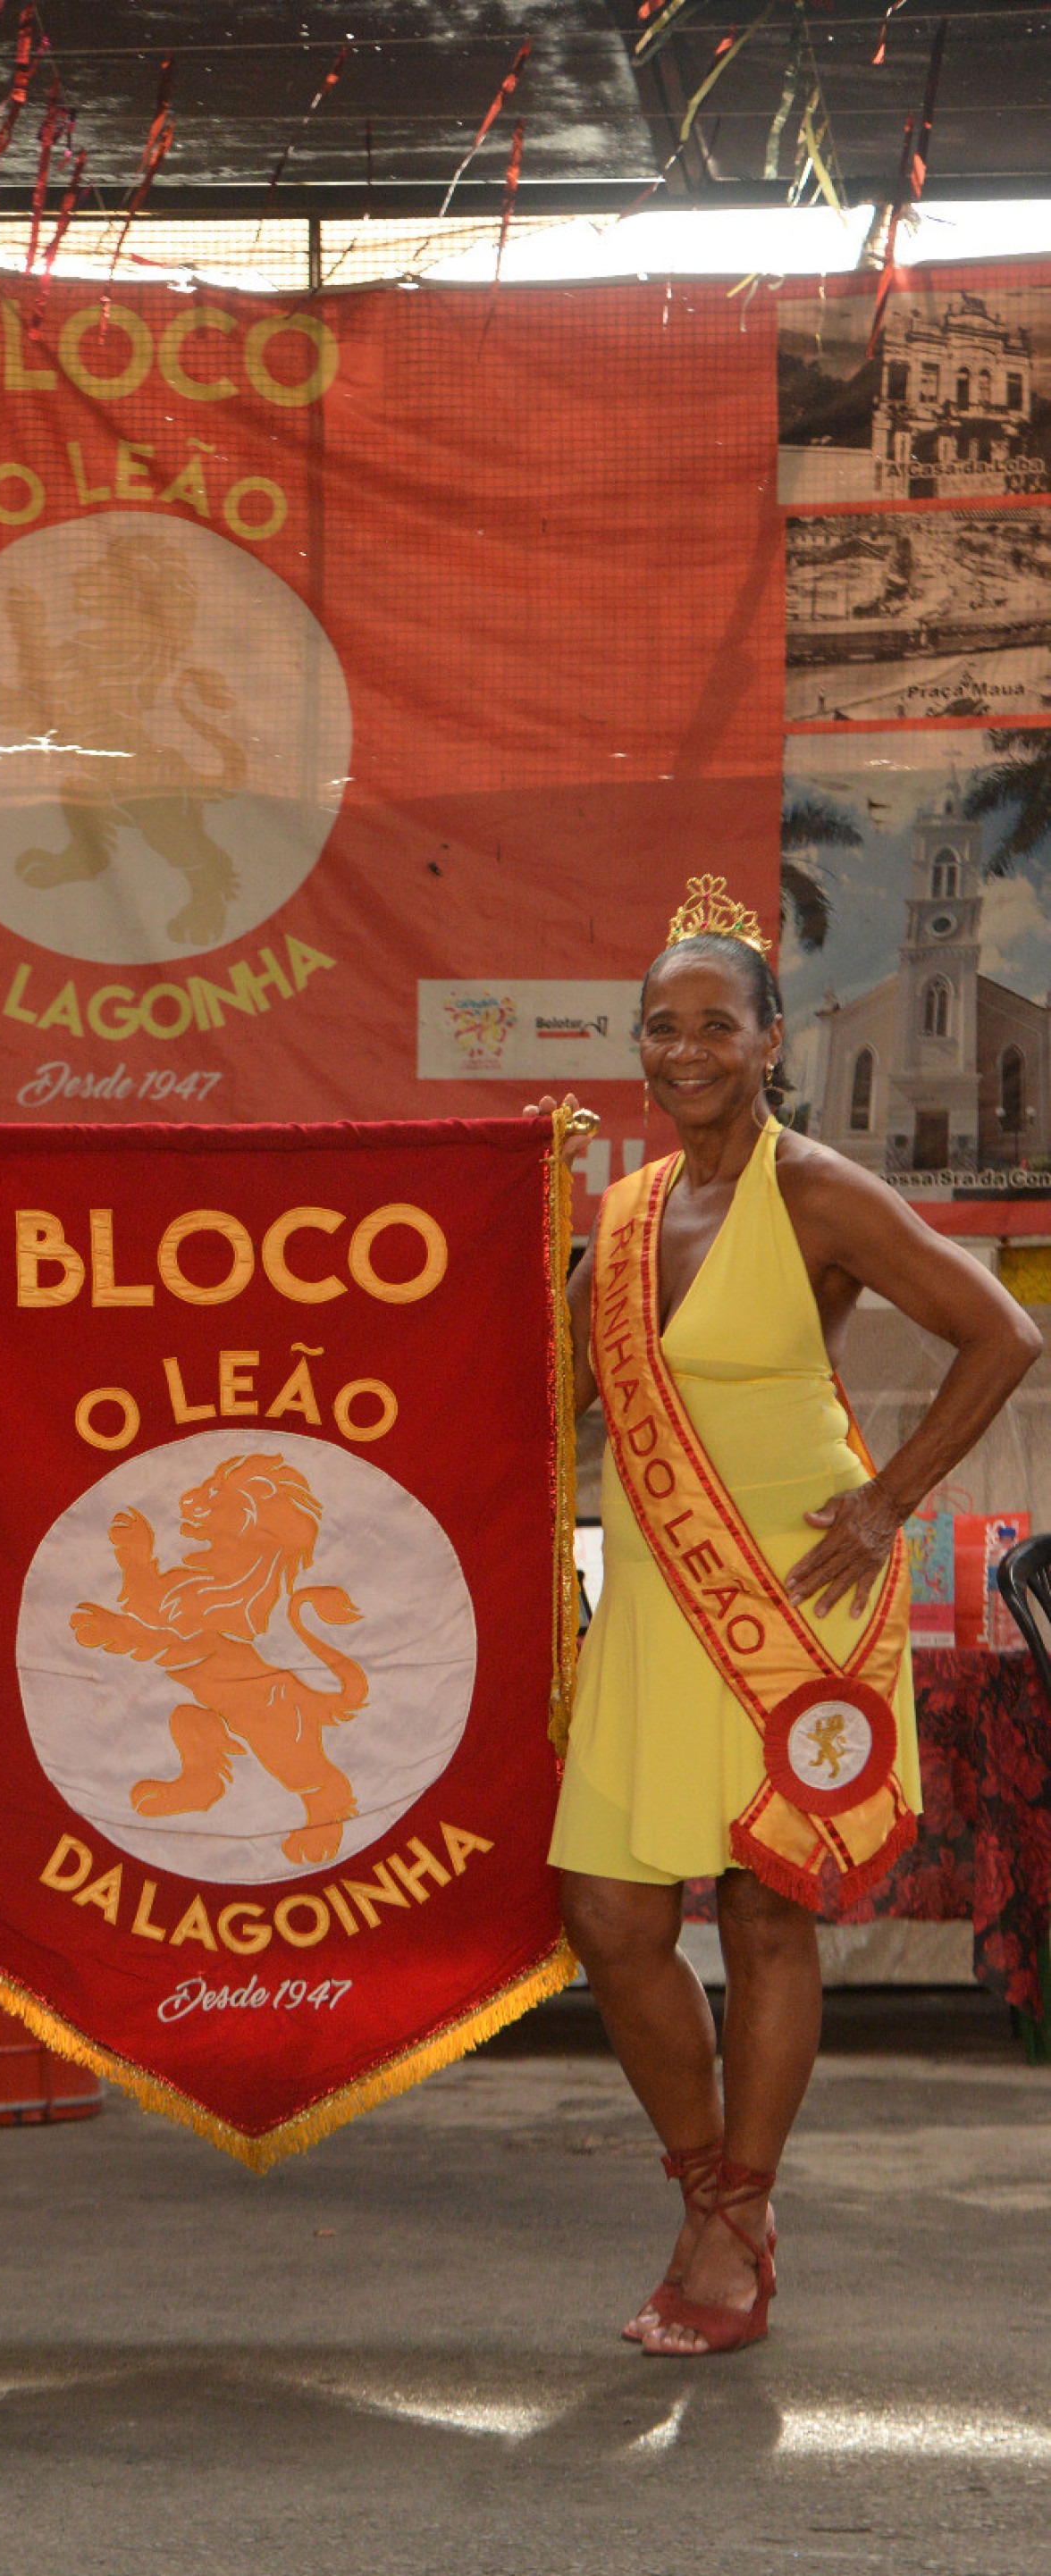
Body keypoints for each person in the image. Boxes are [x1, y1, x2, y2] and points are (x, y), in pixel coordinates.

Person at [540, 875, 1041, 2357]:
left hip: (801, 1590)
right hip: (652, 1591)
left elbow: (1000, 1332)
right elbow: (549, 1401)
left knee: (765, 1906)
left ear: (771, 1043)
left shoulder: (817, 1191)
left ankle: (728, 2222)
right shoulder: (622, 1219)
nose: (683, 1049)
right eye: (659, 1027)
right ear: (637, 1048)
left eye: (715, 1024)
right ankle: (715, 2193)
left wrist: (889, 1504)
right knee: (613, 1918)